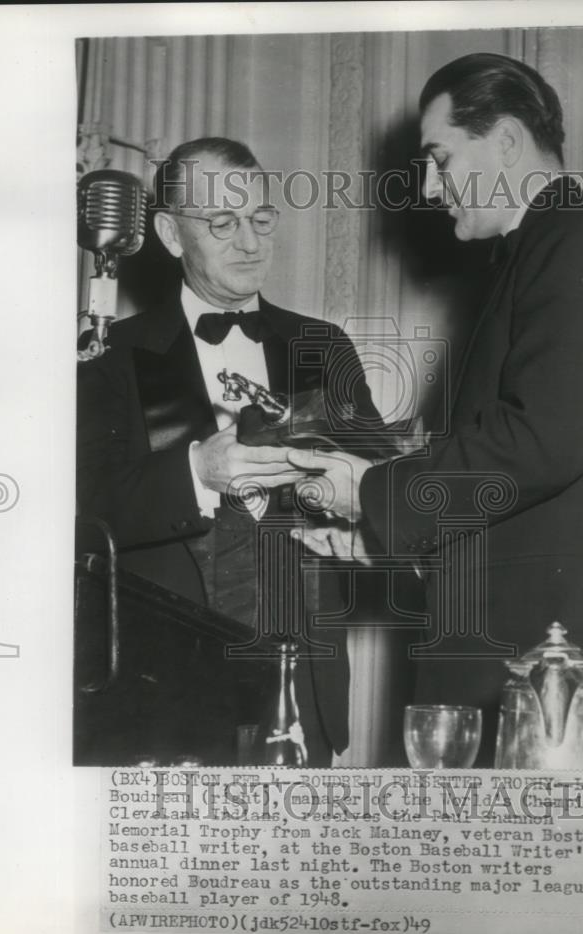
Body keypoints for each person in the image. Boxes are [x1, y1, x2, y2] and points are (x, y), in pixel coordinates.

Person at [290, 53, 583, 764]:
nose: (426, 185)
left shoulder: (581, 237)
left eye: (439, 159)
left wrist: (373, 491)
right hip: (520, 650)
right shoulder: (543, 247)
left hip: (549, 668)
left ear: (507, 141)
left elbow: (543, 440)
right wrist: (380, 539)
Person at [76, 137, 383, 765]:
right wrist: (196, 472)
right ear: (169, 233)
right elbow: (82, 517)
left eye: (261, 220)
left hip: (303, 687)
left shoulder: (324, 346)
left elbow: (378, 487)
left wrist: (354, 507)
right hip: (162, 687)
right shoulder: (106, 357)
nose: (250, 242)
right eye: (222, 222)